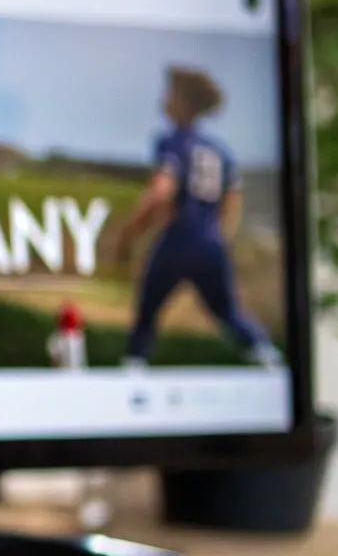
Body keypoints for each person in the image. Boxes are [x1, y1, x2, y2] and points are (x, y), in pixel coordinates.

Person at [114, 66, 281, 369]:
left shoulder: (173, 142)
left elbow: (161, 191)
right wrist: (217, 237)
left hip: (179, 239)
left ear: (183, 102)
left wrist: (130, 233)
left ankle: (132, 371)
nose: (163, 99)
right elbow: (232, 201)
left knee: (147, 312)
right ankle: (269, 360)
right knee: (229, 313)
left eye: (170, 93)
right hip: (212, 243)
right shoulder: (220, 151)